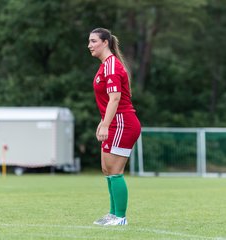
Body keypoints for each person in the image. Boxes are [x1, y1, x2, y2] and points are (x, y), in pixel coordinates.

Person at [87, 28, 141, 226]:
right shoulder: (104, 66)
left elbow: (115, 98)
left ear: (105, 43)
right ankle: (112, 214)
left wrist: (106, 124)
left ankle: (120, 217)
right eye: (89, 41)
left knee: (115, 170)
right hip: (114, 123)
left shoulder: (111, 66)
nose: (89, 45)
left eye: (93, 41)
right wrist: (103, 122)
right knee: (107, 169)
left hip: (123, 124)